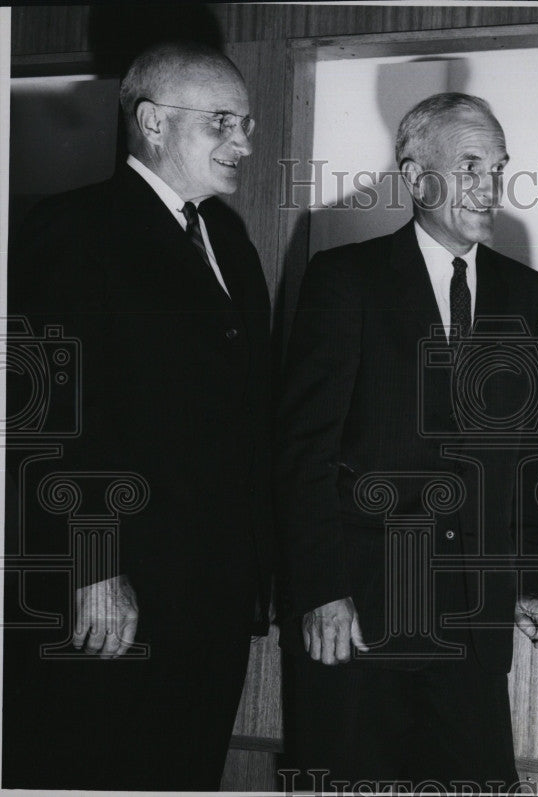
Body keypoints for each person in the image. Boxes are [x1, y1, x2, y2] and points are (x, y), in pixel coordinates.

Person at [277, 92, 538, 790]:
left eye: (498, 168)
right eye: (469, 165)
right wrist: (322, 588)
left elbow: (535, 456)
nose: (488, 186)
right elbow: (302, 453)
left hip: (471, 626)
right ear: (414, 177)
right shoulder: (345, 281)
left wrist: (533, 578)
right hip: (361, 616)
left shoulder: (530, 295)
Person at [3, 41, 273, 790]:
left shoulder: (232, 241)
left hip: (212, 597)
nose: (244, 142)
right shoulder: (74, 227)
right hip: (118, 591)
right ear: (153, 123)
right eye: (222, 121)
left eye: (246, 123)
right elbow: (45, 415)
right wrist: (94, 564)